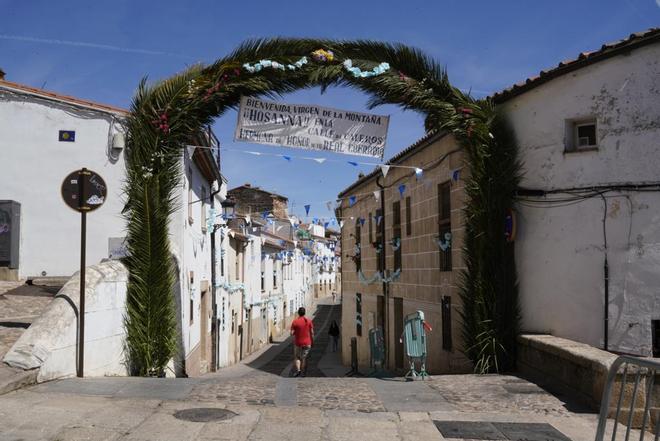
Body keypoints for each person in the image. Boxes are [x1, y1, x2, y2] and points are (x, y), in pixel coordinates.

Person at [290, 306, 314, 377]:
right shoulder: (309, 321)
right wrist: (312, 342)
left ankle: (298, 371)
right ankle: (303, 373)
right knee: (305, 358)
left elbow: (291, 333)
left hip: (298, 343)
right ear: (305, 313)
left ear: (298, 313)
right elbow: (312, 332)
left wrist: (296, 332)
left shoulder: (295, 322)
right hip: (307, 343)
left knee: (297, 357)